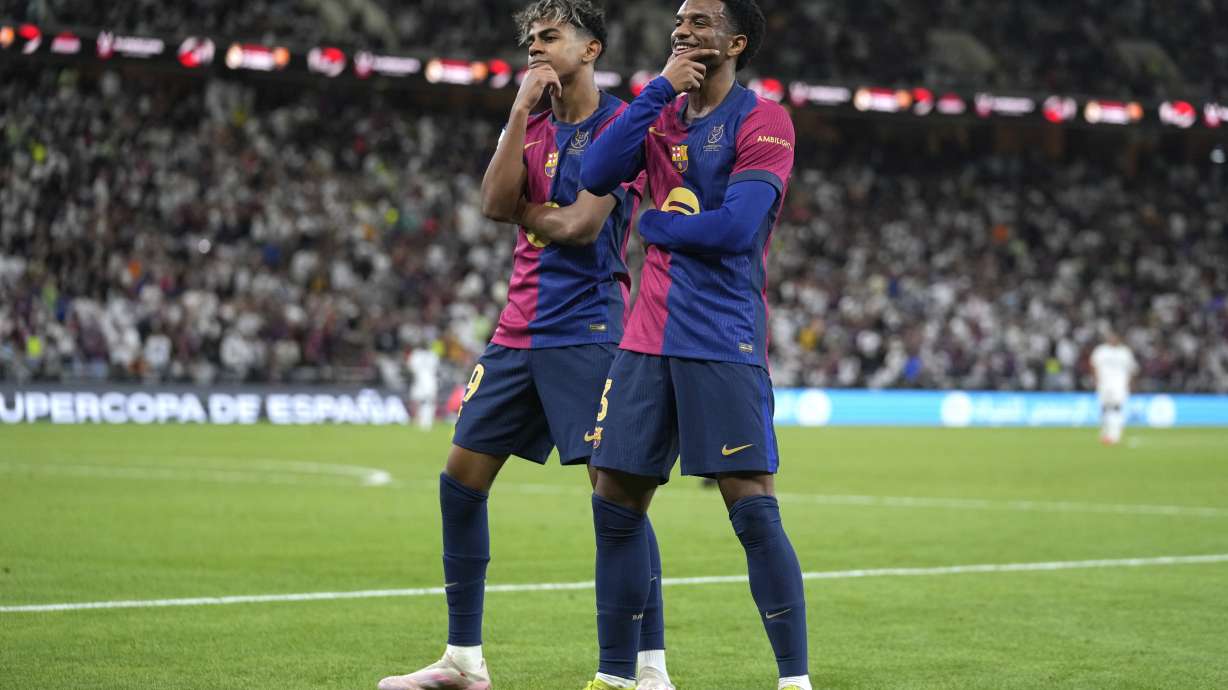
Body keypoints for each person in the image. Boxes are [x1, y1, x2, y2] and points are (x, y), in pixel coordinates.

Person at [378, 2, 673, 689]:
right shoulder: (531, 124)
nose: (536, 48)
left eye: (550, 37)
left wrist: (527, 212)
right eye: (531, 40)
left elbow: (578, 226)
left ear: (591, 49)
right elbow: (492, 202)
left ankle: (649, 668)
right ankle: (463, 660)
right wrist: (517, 113)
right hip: (517, 331)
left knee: (617, 499)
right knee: (459, 482)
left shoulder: (622, 127)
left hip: (588, 331)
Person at [577, 1, 810, 688]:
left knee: (752, 508)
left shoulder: (763, 119)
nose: (683, 29)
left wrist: (658, 228)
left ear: (735, 43)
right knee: (614, 503)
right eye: (680, 19)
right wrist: (658, 88)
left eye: (701, 21)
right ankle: (620, 678)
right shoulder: (659, 115)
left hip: (722, 337)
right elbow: (595, 173)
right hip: (646, 339)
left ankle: (794, 681)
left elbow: (737, 229)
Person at [1090, 330, 1138, 445]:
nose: (1113, 339)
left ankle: (1115, 433)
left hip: (1120, 384)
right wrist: (1096, 380)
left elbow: (1132, 369)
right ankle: (1105, 430)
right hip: (1104, 384)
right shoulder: (1101, 351)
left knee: (1117, 407)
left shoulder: (1125, 352)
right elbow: (1093, 365)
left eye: (1115, 337)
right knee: (1104, 407)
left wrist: (1131, 383)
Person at [408, 342, 442, 431]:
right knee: (428, 402)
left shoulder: (416, 354)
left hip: (420, 381)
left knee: (420, 401)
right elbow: (437, 368)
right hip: (430, 381)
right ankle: (425, 421)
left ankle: (422, 421)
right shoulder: (433, 355)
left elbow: (411, 368)